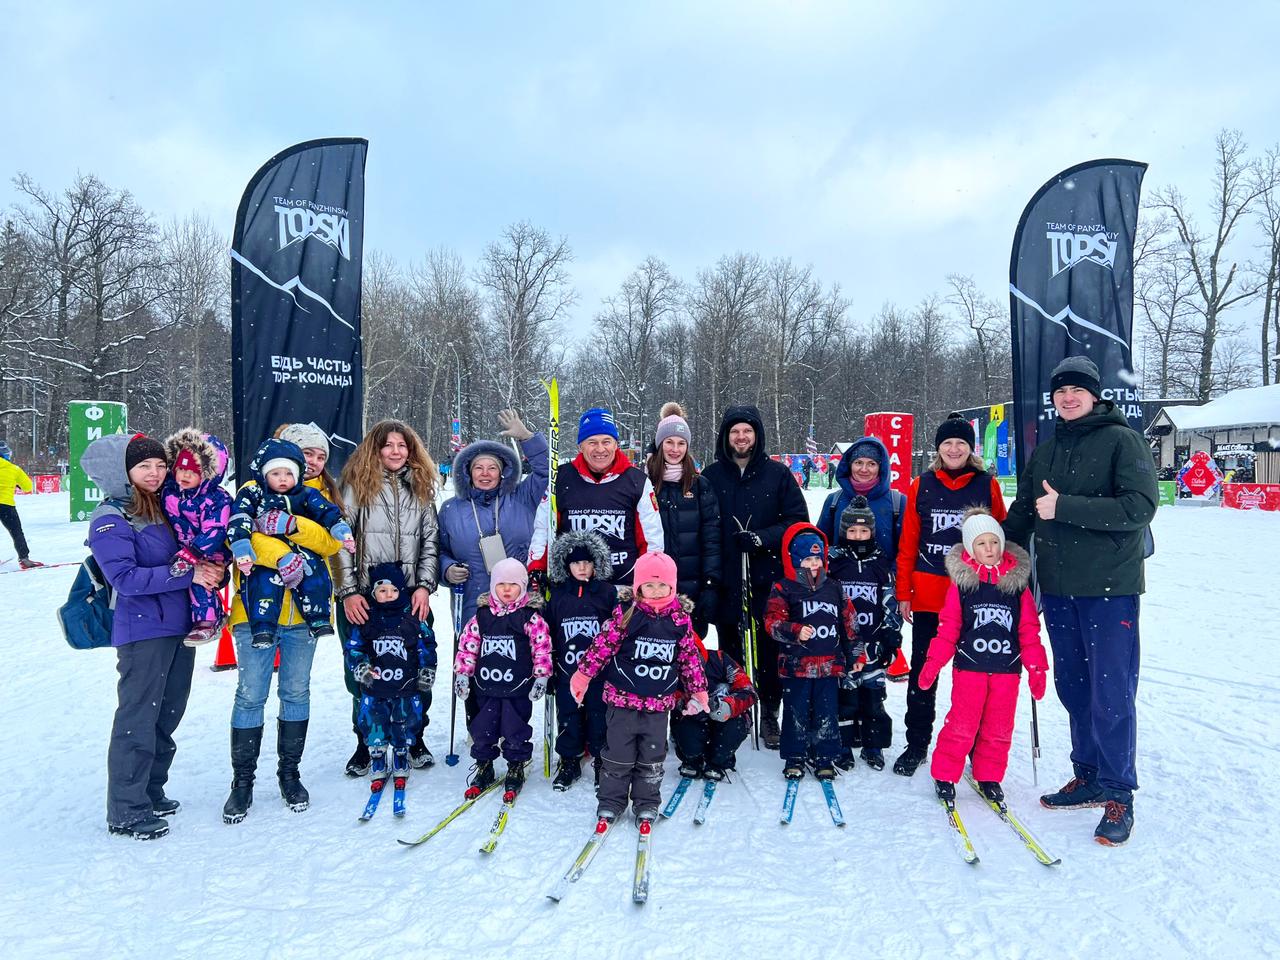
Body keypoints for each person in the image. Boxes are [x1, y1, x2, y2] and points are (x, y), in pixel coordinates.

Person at [1003, 356, 1157, 846]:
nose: (1068, 398)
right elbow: (1026, 510)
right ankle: (1088, 773)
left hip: (1110, 588)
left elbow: (1140, 507)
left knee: (1111, 691)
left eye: (1077, 390)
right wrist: (991, 548)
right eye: (1060, 391)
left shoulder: (1123, 440)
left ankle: (1118, 793)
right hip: (1060, 588)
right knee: (1073, 685)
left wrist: (1064, 506)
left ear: (1095, 395)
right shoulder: (1046, 450)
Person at [82, 432, 223, 839]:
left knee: (167, 713)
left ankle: (151, 790)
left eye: (161, 465)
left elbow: (197, 551)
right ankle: (126, 809)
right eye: (145, 466)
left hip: (179, 626)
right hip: (143, 630)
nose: (156, 472)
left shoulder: (166, 507)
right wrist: (188, 572)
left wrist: (213, 570)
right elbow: (125, 579)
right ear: (122, 472)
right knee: (138, 717)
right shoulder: (111, 518)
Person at [222, 422, 346, 825]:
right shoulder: (250, 492)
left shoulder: (316, 497)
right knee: (251, 695)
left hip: (302, 616)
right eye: (306, 454)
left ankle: (289, 774)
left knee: (296, 692)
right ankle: (242, 782)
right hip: (254, 612)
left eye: (320, 456)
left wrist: (291, 525)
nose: (313, 462)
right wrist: (279, 552)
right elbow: (243, 539)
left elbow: (329, 544)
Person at [893, 414, 1006, 777]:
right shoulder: (921, 485)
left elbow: (1001, 539)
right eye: (947, 443)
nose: (954, 449)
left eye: (960, 443)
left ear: (970, 448)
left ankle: (969, 743)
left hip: (974, 595)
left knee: (972, 675)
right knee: (925, 671)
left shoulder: (986, 486)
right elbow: (908, 540)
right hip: (929, 594)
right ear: (938, 449)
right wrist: (903, 591)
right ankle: (917, 742)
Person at [918, 511, 1047, 806]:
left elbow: (1028, 630)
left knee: (998, 728)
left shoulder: (1016, 588)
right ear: (969, 549)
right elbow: (948, 628)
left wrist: (1036, 667)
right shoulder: (963, 586)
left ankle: (989, 775)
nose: (989, 549)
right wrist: (933, 662)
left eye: (993, 542)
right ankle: (945, 774)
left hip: (1006, 672)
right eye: (981, 544)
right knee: (962, 725)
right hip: (970, 670)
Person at [570, 552, 708, 823]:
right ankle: (611, 802)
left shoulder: (679, 621)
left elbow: (689, 658)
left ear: (673, 586)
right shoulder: (627, 615)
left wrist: (698, 690)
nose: (655, 592)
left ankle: (646, 802)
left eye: (662, 585)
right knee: (617, 756)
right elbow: (601, 647)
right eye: (649, 585)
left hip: (658, 705)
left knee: (652, 757)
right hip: (623, 701)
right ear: (638, 587)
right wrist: (582, 677)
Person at [336, 420, 441, 775]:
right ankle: (367, 742)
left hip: (408, 597)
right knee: (365, 672)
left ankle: (414, 738)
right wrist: (349, 592)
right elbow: (341, 542)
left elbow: (430, 541)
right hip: (365, 596)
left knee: (414, 667)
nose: (396, 451)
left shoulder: (420, 487)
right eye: (388, 445)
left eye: (402, 445)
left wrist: (425, 585)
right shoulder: (356, 485)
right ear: (374, 448)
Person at [702, 404, 808, 749]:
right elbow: (702, 523)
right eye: (735, 431)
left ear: (757, 435)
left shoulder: (777, 475)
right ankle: (738, 708)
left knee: (768, 648)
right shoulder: (713, 476)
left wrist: (764, 537)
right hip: (727, 578)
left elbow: (797, 522)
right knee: (731, 648)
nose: (741, 437)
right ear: (726, 436)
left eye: (747, 431)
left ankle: (770, 713)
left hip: (768, 579)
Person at [228, 438, 355, 647]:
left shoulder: (307, 494)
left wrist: (340, 530)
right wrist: (242, 547)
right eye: (276, 474)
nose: (283, 479)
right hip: (266, 560)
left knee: (315, 572)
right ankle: (263, 628)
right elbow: (238, 519)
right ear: (264, 474)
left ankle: (318, 617)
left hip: (303, 552)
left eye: (289, 474)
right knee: (263, 583)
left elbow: (328, 514)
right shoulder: (253, 492)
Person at [764, 523, 861, 780]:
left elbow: (849, 623)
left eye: (817, 558)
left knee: (827, 713)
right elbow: (771, 623)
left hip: (829, 666)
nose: (814, 564)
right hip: (797, 667)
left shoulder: (834, 588)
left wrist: (857, 654)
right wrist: (794, 630)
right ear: (796, 560)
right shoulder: (784, 588)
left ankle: (824, 757)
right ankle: (795, 757)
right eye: (807, 559)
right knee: (795, 712)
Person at [528, 406, 664, 587]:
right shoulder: (560, 478)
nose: (600, 449)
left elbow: (651, 537)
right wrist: (537, 565)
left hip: (623, 585)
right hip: (574, 588)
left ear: (616, 444)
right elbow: (544, 527)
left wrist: (651, 576)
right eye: (592, 442)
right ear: (580, 446)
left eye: (606, 441)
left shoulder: (636, 480)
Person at [439, 408, 549, 630]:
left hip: (520, 604)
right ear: (468, 473)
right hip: (472, 604)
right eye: (478, 468)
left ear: (503, 472)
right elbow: (438, 551)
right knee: (472, 661)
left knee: (518, 659)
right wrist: (447, 569)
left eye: (492, 468)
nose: (485, 473)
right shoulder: (451, 509)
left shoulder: (522, 497)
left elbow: (547, 472)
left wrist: (527, 438)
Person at [452, 558, 553, 798]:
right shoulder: (481, 617)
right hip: (485, 687)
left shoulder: (531, 618)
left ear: (523, 586)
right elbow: (467, 648)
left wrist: (541, 677)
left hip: (517, 688)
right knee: (482, 729)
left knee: (514, 729)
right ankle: (484, 766)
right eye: (501, 585)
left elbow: (542, 649)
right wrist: (463, 676)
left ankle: (516, 765)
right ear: (493, 586)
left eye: (513, 585)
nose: (507, 590)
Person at [818, 435, 909, 680]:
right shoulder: (835, 501)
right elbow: (820, 545)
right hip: (842, 589)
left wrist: (897, 588)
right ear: (849, 465)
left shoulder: (897, 502)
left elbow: (907, 549)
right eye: (859, 463)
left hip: (880, 590)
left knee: (874, 660)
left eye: (871, 463)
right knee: (843, 660)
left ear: (881, 467)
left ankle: (872, 702)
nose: (864, 469)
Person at [345, 563, 437, 802]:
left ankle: (401, 753)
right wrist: (361, 667)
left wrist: (426, 669)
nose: (388, 595)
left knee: (405, 720)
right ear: (373, 593)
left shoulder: (412, 617)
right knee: (374, 720)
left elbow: (426, 644)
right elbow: (354, 648)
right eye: (382, 591)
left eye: (393, 591)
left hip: (406, 685)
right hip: (376, 688)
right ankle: (376, 755)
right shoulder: (367, 618)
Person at [827, 496, 902, 770]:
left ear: (872, 532)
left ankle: (874, 746)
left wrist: (891, 634)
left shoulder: (880, 562)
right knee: (845, 699)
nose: (858, 536)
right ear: (843, 532)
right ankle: (843, 745)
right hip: (844, 645)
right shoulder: (833, 562)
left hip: (872, 642)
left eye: (864, 531)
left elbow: (890, 601)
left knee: (873, 699)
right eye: (852, 531)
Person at [544, 530, 616, 790]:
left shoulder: (607, 594)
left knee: (599, 717)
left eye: (587, 562)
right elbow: (548, 633)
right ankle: (569, 761)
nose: (582, 567)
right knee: (569, 716)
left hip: (600, 674)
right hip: (567, 671)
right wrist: (549, 669)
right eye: (576, 563)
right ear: (567, 565)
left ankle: (601, 760)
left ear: (597, 563)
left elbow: (617, 631)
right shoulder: (558, 596)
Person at [644, 402, 722, 636]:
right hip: (653, 590)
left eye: (681, 443)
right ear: (659, 444)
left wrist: (710, 584)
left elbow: (712, 538)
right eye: (669, 442)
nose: (675, 449)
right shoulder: (645, 484)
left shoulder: (700, 486)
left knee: (692, 662)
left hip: (692, 592)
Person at [160, 428, 232, 645]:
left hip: (211, 549)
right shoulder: (168, 491)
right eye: (181, 468)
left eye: (194, 471)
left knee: (202, 578)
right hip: (182, 548)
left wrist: (193, 552)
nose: (185, 475)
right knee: (187, 577)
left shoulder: (216, 498)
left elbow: (215, 529)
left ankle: (208, 620)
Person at [671, 633, 756, 780]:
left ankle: (718, 761)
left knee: (733, 729)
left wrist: (729, 706)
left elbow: (748, 690)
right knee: (686, 733)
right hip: (694, 717)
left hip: (725, 716)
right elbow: (669, 697)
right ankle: (692, 759)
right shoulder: (676, 669)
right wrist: (686, 704)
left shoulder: (721, 660)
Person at [0, 439, 41, 568]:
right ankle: (24, 559)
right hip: (6, 505)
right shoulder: (14, 469)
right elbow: (28, 487)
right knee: (16, 532)